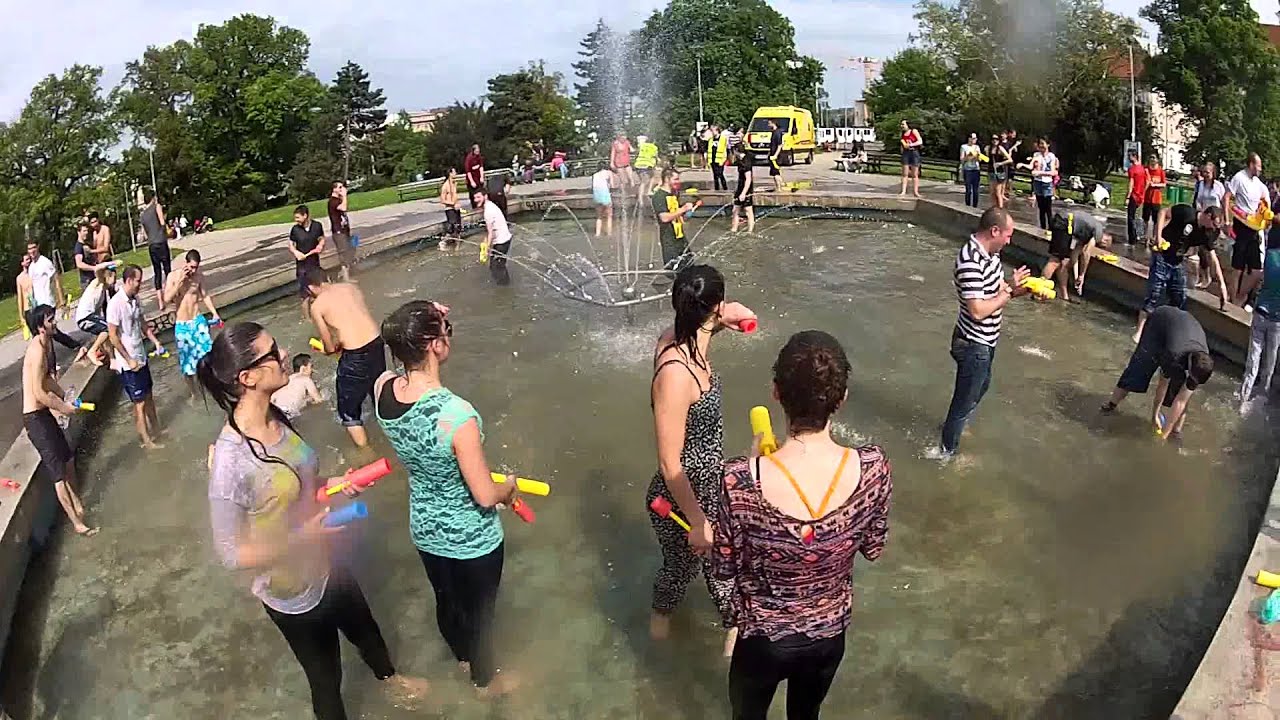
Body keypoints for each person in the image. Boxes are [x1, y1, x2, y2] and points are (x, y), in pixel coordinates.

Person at [201, 322, 428, 720]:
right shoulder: (230, 462)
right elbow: (230, 554)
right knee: (326, 679)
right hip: (292, 592)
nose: (285, 354)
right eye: (273, 352)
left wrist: (337, 484)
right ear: (247, 377)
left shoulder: (277, 416)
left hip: (328, 559)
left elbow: (298, 483)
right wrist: (299, 537)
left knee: (366, 629)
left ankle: (390, 681)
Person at [713, 330, 891, 720]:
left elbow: (723, 568)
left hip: (762, 639)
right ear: (841, 398)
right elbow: (874, 548)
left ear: (776, 392)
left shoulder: (738, 479)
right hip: (828, 635)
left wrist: (749, 468)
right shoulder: (874, 468)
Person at [374, 300, 522, 696]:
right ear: (434, 345)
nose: (449, 334)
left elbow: (375, 350)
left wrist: (419, 315)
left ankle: (460, 657)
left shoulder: (383, 389)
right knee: (482, 615)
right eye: (446, 329)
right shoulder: (458, 415)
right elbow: (485, 494)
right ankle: (484, 682)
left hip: (424, 526)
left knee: (446, 600)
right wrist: (509, 487)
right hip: (471, 539)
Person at [646, 264, 755, 655]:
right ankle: (729, 655)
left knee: (686, 570)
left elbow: (703, 327)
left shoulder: (678, 339)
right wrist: (699, 522)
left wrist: (726, 317)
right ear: (715, 305)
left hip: (708, 485)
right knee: (719, 574)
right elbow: (669, 463)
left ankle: (661, 640)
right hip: (683, 497)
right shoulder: (677, 374)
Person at [940, 207, 1031, 456]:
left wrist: (1025, 291)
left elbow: (997, 291)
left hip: (985, 341)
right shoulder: (970, 260)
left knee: (981, 386)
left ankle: (954, 427)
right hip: (972, 342)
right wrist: (1010, 290)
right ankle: (946, 454)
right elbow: (978, 310)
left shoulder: (991, 255)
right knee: (963, 402)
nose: (1009, 240)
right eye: (1008, 235)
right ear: (994, 231)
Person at [22, 304, 96, 536]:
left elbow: (47, 381)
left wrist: (66, 396)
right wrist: (63, 408)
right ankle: (76, 523)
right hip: (35, 419)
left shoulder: (46, 344)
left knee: (68, 460)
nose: (55, 322)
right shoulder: (36, 351)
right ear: (40, 327)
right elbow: (38, 393)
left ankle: (77, 503)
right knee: (58, 474)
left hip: (43, 414)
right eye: (51, 320)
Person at [1102, 305, 1214, 441]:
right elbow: (1163, 384)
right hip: (1159, 323)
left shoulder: (1203, 362)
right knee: (1140, 367)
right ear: (1190, 367)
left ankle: (1176, 432)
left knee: (1179, 389)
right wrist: (1154, 416)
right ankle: (1111, 404)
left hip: (1182, 329)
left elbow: (1182, 400)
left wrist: (1166, 434)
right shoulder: (1175, 355)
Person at [301, 266, 385, 448]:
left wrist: (327, 349)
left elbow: (330, 347)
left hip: (355, 356)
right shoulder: (350, 287)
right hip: (377, 344)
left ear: (311, 288)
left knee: (348, 413)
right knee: (378, 393)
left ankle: (367, 454)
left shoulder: (317, 306)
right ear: (327, 278)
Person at [1134, 204, 1228, 342]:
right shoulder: (1187, 213)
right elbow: (1163, 212)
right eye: (1213, 224)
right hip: (1162, 254)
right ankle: (1139, 331)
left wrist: (1222, 285)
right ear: (1207, 216)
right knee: (1154, 292)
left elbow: (1213, 258)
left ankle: (1170, 331)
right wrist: (1158, 236)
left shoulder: (1209, 233)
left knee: (1180, 296)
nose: (1214, 229)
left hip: (1178, 259)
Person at [107, 265, 165, 450]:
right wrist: (128, 359)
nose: (141, 284)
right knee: (138, 403)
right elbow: (113, 336)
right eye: (139, 281)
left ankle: (157, 431)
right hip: (128, 362)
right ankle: (146, 442)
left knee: (149, 396)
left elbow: (142, 323)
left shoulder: (135, 299)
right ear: (129, 280)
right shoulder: (115, 304)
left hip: (141, 357)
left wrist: (155, 341)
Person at [165, 249, 221, 398]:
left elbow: (205, 296)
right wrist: (179, 283)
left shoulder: (199, 277)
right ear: (185, 263)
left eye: (196, 267)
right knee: (187, 365)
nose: (193, 270)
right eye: (191, 267)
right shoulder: (173, 276)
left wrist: (215, 313)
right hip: (182, 324)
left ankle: (213, 387)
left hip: (197, 321)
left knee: (209, 355)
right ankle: (194, 393)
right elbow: (165, 300)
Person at [1240, 233, 1280, 411]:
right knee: (1270, 361)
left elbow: (1257, 277)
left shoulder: (1270, 255)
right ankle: (1262, 396)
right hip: (1277, 321)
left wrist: (1241, 294)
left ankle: (1244, 396)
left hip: (1260, 313)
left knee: (1253, 358)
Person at [1226, 153, 1269, 306]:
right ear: (1251, 165)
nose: (1261, 169)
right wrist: (1227, 221)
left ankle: (1240, 296)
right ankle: (1233, 300)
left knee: (1256, 270)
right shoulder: (1239, 178)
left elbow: (1263, 203)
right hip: (1241, 225)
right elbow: (1227, 197)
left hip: (1254, 228)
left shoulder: (1258, 183)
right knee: (1237, 267)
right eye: (1259, 165)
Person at [1043, 210, 1111, 303]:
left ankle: (1065, 296)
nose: (1098, 246)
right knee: (1055, 260)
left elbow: (1074, 255)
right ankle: (1039, 287)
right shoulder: (1098, 232)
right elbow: (1086, 252)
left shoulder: (1086, 233)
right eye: (1101, 246)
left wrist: (1077, 277)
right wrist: (1082, 275)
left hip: (1062, 221)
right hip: (1064, 223)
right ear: (1105, 240)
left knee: (1064, 262)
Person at [652, 169, 698, 274]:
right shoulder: (658, 196)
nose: (678, 182)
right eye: (675, 179)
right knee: (673, 270)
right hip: (669, 240)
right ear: (667, 179)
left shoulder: (674, 194)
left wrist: (685, 216)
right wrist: (683, 209)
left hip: (680, 238)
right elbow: (664, 218)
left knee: (690, 265)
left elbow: (677, 214)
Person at [1193, 162, 1228, 289]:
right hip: (1203, 219)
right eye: (1205, 172)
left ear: (1213, 173)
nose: (1206, 174)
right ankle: (1205, 276)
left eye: (1208, 172)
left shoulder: (1218, 186)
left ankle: (1212, 277)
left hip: (1214, 221)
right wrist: (1198, 210)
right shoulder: (1200, 185)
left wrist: (1224, 220)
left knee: (1207, 248)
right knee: (1201, 249)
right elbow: (1197, 200)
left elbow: (1224, 203)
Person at [138, 188, 171, 313]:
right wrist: (165, 231)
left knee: (157, 272)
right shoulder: (157, 207)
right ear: (153, 197)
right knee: (167, 270)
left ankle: (160, 302)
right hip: (161, 242)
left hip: (151, 245)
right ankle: (171, 296)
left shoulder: (143, 215)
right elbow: (162, 223)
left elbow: (145, 235)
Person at [289, 205, 326, 309]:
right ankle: (306, 317)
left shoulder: (317, 226)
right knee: (305, 293)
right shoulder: (295, 229)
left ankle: (321, 311)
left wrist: (320, 245)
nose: (296, 220)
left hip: (314, 263)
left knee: (319, 289)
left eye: (297, 217)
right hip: (302, 266)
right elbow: (291, 244)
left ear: (305, 216)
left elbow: (321, 238)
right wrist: (296, 252)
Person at [474, 188, 513, 285]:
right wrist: (485, 242)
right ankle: (505, 285)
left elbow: (490, 233)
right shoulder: (490, 206)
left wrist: (486, 249)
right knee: (498, 266)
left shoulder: (488, 211)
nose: (476, 200)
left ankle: (504, 289)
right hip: (504, 239)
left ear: (485, 196)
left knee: (496, 267)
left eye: (478, 197)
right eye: (475, 198)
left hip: (502, 242)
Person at [271, 353, 325, 418]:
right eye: (311, 367)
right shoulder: (306, 380)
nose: (313, 371)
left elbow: (272, 398)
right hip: (289, 413)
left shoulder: (285, 380)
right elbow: (319, 401)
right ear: (303, 369)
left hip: (275, 411)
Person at [75, 265, 116, 337]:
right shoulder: (98, 283)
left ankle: (106, 348)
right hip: (85, 318)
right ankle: (93, 348)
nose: (115, 280)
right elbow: (97, 269)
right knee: (109, 329)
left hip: (90, 317)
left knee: (106, 329)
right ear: (107, 276)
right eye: (113, 277)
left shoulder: (102, 293)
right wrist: (112, 263)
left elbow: (97, 313)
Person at [328, 181, 356, 282]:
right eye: (340, 187)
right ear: (334, 189)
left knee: (350, 249)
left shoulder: (338, 200)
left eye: (342, 187)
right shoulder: (333, 201)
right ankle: (345, 278)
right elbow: (344, 208)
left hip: (345, 231)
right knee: (343, 253)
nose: (342, 189)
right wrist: (344, 196)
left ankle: (345, 273)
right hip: (338, 232)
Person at [26, 241, 63, 313]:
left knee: (49, 324)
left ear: (38, 247)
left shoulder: (45, 262)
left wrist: (62, 300)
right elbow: (32, 286)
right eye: (29, 249)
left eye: (34, 247)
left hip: (48, 302)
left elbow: (56, 280)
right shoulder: (31, 267)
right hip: (38, 305)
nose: (32, 251)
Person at [1030, 139, 1059, 230]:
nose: (1041, 146)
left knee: (1048, 208)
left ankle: (1051, 228)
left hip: (1047, 183)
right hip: (1038, 182)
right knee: (1041, 208)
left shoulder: (1051, 156)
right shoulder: (1036, 155)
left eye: (1043, 143)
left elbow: (1053, 172)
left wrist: (1040, 173)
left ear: (1048, 144)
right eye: (1040, 144)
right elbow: (1033, 168)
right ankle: (1042, 228)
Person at [1125, 149, 1148, 246]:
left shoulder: (1132, 169)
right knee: (1137, 216)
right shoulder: (1143, 169)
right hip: (1141, 195)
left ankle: (1132, 239)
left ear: (1134, 156)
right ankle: (1138, 235)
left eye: (1129, 156)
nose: (1128, 158)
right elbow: (1147, 182)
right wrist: (1143, 192)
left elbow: (1131, 183)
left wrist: (1127, 196)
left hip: (1134, 195)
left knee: (1131, 217)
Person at [1144, 156, 1167, 245]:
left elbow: (1164, 184)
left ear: (1157, 160)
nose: (1152, 160)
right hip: (1147, 198)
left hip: (1156, 199)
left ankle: (1154, 237)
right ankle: (1146, 236)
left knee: (1155, 219)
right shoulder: (1147, 170)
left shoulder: (1160, 171)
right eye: (1151, 158)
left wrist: (1155, 185)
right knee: (1145, 218)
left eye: (1154, 158)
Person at [732, 150, 756, 234]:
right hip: (740, 188)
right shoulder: (740, 161)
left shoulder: (746, 162)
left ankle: (750, 231)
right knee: (735, 209)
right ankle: (734, 229)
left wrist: (743, 193)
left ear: (736, 151)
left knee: (748, 210)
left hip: (746, 189)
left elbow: (748, 179)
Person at [72, 223, 101, 289]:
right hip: (87, 281)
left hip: (93, 278)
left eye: (87, 231)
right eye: (84, 231)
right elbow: (79, 264)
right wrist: (93, 268)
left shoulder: (86, 245)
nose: (86, 233)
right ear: (78, 232)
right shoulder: (78, 247)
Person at [899, 120, 923, 198]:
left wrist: (910, 144)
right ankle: (903, 191)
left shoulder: (913, 131)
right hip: (906, 153)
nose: (901, 126)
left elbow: (920, 141)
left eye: (903, 124)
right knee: (905, 173)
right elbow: (902, 144)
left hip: (914, 152)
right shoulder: (903, 134)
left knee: (914, 174)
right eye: (901, 124)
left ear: (908, 125)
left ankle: (916, 192)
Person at [987, 133, 1011, 210]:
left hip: (999, 172)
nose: (995, 141)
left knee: (998, 192)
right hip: (991, 171)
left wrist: (1000, 163)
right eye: (993, 139)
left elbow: (1010, 159)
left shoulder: (1000, 148)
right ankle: (994, 208)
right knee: (992, 192)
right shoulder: (989, 148)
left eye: (996, 139)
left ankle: (1000, 208)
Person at [440, 168, 462, 247]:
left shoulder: (454, 183)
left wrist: (458, 203)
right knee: (452, 227)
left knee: (458, 227)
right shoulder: (445, 186)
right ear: (450, 174)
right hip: (450, 209)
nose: (456, 173)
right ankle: (443, 242)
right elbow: (442, 200)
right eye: (454, 172)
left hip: (456, 208)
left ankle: (457, 246)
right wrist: (453, 203)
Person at [959, 133, 983, 208]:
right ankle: (968, 205)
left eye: (975, 138)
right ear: (969, 139)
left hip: (976, 169)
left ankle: (975, 206)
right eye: (973, 138)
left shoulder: (977, 147)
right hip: (968, 169)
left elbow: (980, 159)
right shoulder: (964, 147)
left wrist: (978, 157)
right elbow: (962, 159)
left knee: (976, 190)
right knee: (968, 190)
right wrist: (969, 156)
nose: (974, 140)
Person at [591, 162, 614, 238]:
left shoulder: (594, 175)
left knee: (599, 217)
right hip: (605, 195)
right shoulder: (608, 173)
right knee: (609, 216)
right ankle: (609, 233)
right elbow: (612, 185)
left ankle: (597, 234)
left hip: (597, 196)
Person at [16, 255, 34, 341]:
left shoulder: (35, 273)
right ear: (22, 263)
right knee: (35, 334)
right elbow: (20, 297)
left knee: (49, 331)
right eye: (26, 260)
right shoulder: (19, 278)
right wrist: (21, 315)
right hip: (28, 309)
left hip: (39, 305)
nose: (29, 261)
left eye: (29, 259)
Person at [464, 144, 485, 209]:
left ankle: (482, 206)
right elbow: (468, 172)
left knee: (481, 193)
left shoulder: (479, 157)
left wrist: (482, 177)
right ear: (473, 150)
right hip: (472, 179)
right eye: (476, 150)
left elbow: (481, 167)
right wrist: (472, 181)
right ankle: (475, 208)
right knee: (474, 195)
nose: (478, 152)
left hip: (478, 178)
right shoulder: (469, 158)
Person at [768, 120, 787, 193]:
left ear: (773, 123)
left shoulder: (777, 133)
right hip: (772, 155)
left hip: (776, 156)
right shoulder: (774, 132)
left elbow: (779, 145)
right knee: (775, 172)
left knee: (775, 172)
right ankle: (779, 186)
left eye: (769, 123)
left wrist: (775, 155)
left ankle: (779, 188)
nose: (768, 125)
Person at [710, 125, 730, 191]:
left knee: (720, 174)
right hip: (713, 160)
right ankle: (717, 189)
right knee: (715, 175)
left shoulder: (722, 139)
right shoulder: (711, 139)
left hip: (720, 160)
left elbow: (725, 150)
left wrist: (724, 159)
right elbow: (709, 150)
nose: (712, 132)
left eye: (713, 130)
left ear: (717, 131)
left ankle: (725, 188)